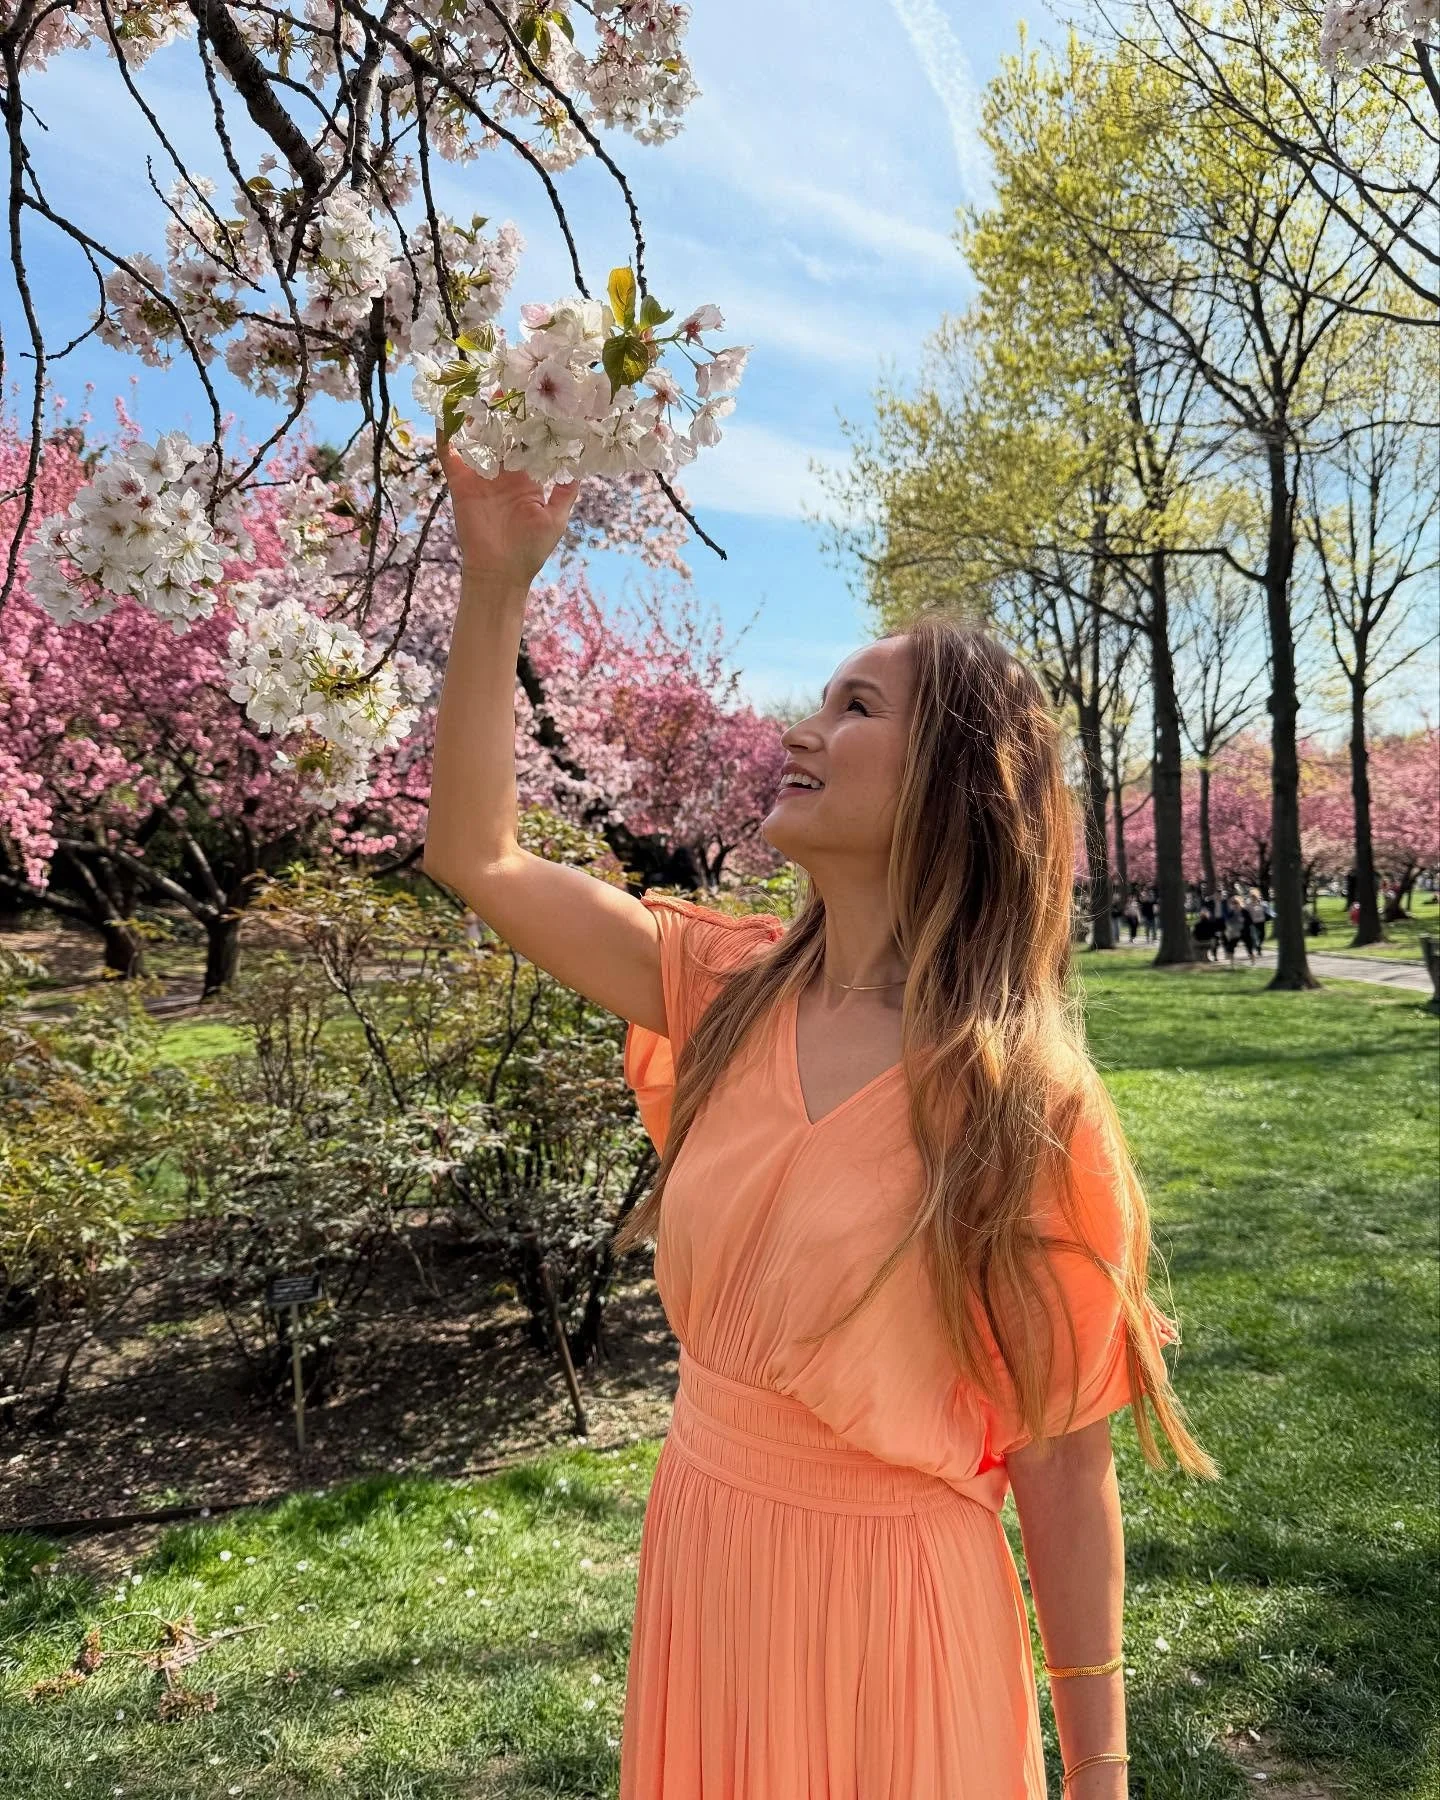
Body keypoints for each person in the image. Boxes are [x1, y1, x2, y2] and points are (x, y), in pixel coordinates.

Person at [423, 448, 1218, 1800]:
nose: (800, 728)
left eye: (855, 706)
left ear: (956, 782)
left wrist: (1099, 1773)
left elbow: (1064, 1455)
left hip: (900, 1620)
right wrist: (495, 584)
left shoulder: (1020, 1101)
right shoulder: (719, 988)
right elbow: (477, 855)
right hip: (709, 1561)